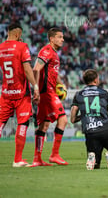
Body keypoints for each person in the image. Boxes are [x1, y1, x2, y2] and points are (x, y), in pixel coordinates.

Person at [0, 23, 40, 167]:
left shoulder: (1, 48)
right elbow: (28, 70)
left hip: (6, 92)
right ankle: (17, 160)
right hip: (22, 93)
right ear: (17, 34)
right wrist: (35, 86)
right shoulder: (22, 47)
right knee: (22, 123)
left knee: (0, 123)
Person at [70, 69, 108, 170]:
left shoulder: (78, 94)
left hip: (90, 132)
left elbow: (72, 119)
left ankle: (92, 158)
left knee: (96, 165)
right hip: (105, 130)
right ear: (95, 80)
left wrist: (85, 115)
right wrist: (101, 114)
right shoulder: (104, 93)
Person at [30, 27, 69, 167]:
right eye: (60, 37)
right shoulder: (46, 51)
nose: (62, 39)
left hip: (49, 91)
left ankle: (37, 158)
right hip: (47, 92)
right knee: (63, 120)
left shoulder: (54, 53)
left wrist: (62, 84)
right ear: (52, 39)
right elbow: (36, 69)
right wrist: (36, 89)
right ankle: (54, 155)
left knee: (44, 125)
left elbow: (52, 72)